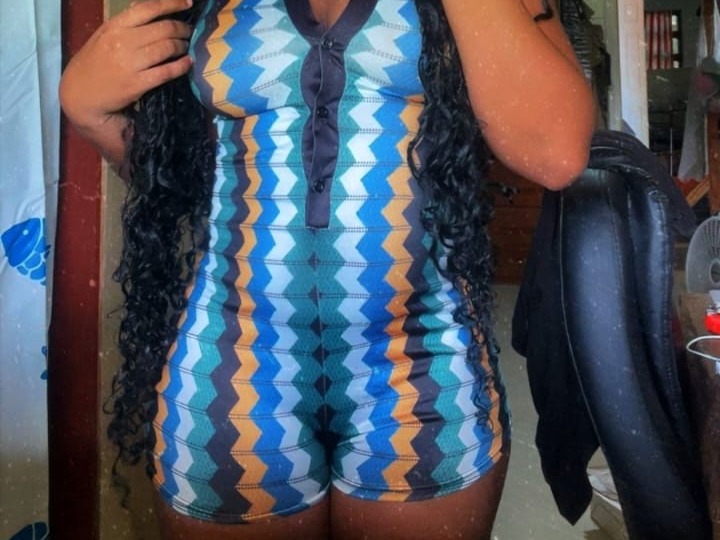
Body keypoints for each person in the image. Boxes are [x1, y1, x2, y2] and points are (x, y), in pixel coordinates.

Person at [59, 0, 594, 538]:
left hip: (424, 361)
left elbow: (554, 151)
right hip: (230, 361)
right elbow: (183, 181)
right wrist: (89, 112)